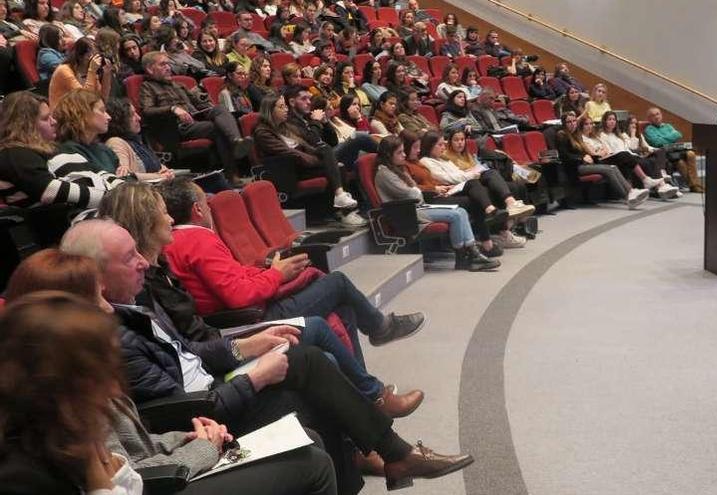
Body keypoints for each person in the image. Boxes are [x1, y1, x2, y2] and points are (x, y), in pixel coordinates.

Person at [60, 218, 474, 494]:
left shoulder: (134, 305)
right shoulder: (111, 336)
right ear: (93, 274)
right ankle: (392, 450)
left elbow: (194, 355)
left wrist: (246, 347)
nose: (141, 264)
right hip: (206, 413)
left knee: (311, 363)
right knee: (311, 364)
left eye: (138, 251)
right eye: (128, 258)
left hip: (213, 390)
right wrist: (254, 377)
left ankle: (387, 455)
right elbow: (180, 406)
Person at [2, 255, 340, 495]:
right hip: (181, 449)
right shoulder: (64, 423)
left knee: (308, 411)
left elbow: (190, 352)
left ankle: (378, 444)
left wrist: (184, 437)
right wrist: (205, 446)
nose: (107, 307)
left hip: (188, 429)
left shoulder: (72, 376)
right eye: (96, 298)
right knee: (310, 459)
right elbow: (138, 465)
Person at [98, 181, 423, 417]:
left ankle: (370, 401)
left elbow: (234, 280)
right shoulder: (190, 245)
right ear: (198, 210)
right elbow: (236, 296)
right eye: (161, 214)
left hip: (221, 339)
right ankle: (375, 380)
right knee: (334, 292)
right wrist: (278, 276)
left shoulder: (162, 261)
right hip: (242, 322)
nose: (168, 218)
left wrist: (271, 272)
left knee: (341, 309)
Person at [0, 291, 145, 495]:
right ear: (57, 385)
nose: (114, 389)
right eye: (100, 375)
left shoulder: (61, 440)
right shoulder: (19, 480)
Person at [139, 51, 253, 186]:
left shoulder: (178, 85)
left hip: (195, 120)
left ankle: (236, 141)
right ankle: (232, 175)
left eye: (168, 64)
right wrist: (172, 109)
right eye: (163, 64)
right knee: (217, 128)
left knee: (220, 109)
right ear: (150, 69)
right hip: (175, 128)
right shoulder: (147, 86)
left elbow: (200, 104)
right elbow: (147, 110)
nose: (168, 67)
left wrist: (203, 98)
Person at [0, 91, 123, 209]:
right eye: (45, 118)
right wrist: (115, 200)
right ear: (25, 125)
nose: (54, 122)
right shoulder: (14, 154)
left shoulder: (55, 149)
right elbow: (51, 191)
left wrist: (128, 189)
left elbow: (98, 173)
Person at [254, 94, 362, 212]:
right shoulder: (263, 132)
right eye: (281, 107)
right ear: (270, 110)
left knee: (329, 155)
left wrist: (320, 155)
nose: (286, 109)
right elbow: (288, 152)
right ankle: (341, 207)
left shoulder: (287, 127)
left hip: (305, 164)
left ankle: (341, 207)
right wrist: (316, 160)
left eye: (285, 106)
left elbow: (311, 142)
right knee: (342, 156)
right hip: (290, 170)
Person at [443, 128, 533, 247]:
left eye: (462, 139)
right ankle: (504, 224)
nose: (460, 143)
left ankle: (507, 228)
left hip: (477, 180)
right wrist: (471, 171)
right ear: (450, 142)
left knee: (514, 186)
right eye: (456, 140)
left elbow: (477, 167)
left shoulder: (467, 155)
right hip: (466, 186)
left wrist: (476, 170)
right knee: (492, 178)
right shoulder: (446, 157)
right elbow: (456, 175)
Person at [555, 111, 648, 209]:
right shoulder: (562, 135)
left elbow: (582, 151)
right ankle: (629, 194)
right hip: (575, 167)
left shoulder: (576, 135)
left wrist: (587, 156)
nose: (572, 123)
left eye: (574, 121)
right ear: (564, 124)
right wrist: (582, 158)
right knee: (608, 169)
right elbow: (564, 155)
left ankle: (630, 193)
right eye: (569, 122)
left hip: (584, 164)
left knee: (612, 167)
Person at [593, 111, 678, 199]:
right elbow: (611, 151)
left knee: (652, 159)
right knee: (645, 162)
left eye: (614, 119)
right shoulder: (601, 135)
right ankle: (657, 185)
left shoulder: (618, 135)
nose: (612, 121)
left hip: (627, 155)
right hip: (616, 157)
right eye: (609, 119)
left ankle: (662, 186)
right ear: (604, 121)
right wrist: (633, 136)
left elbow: (628, 148)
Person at [104, 97, 174, 181]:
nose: (139, 118)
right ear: (120, 119)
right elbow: (126, 176)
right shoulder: (115, 142)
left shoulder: (136, 142)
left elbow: (160, 168)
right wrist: (161, 176)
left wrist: (167, 173)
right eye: (132, 114)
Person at [54, 88, 120, 174]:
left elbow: (124, 176)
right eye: (102, 111)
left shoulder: (104, 149)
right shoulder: (69, 151)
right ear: (82, 113)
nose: (109, 117)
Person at [642, 106, 704, 193]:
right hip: (664, 154)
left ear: (661, 115)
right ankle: (695, 186)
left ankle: (694, 186)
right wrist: (670, 137)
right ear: (649, 118)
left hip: (676, 151)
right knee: (680, 163)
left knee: (691, 153)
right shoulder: (649, 129)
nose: (656, 116)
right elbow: (657, 142)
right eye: (653, 115)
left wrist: (664, 138)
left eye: (658, 114)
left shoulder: (668, 126)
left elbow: (678, 135)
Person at [47, 36, 113, 109]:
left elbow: (102, 99)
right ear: (80, 56)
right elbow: (85, 99)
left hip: (81, 110)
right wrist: (92, 70)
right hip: (63, 113)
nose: (94, 59)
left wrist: (106, 75)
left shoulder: (91, 72)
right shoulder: (64, 70)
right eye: (90, 55)